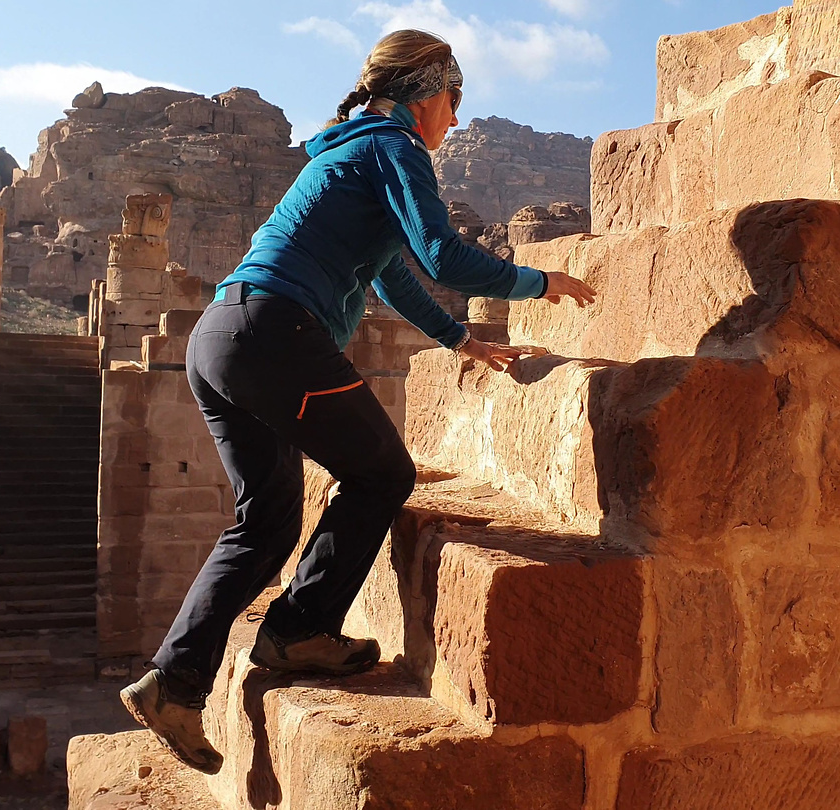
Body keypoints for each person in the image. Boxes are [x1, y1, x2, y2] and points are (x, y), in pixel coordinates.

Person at [119, 29, 597, 773]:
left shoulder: (351, 149)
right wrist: (539, 281)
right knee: (382, 473)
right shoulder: (393, 147)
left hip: (222, 337)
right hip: (277, 332)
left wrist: (456, 339)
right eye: (454, 101)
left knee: (267, 518)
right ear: (427, 92)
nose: (457, 121)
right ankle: (301, 629)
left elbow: (389, 275)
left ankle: (173, 685)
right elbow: (439, 255)